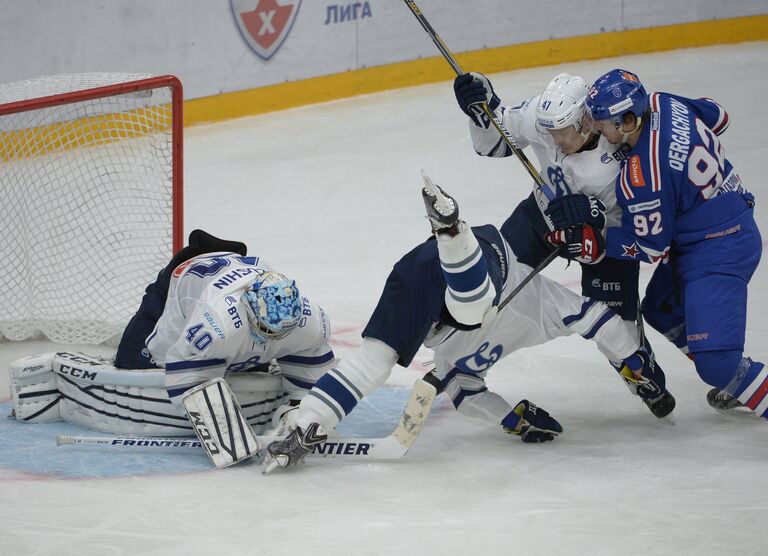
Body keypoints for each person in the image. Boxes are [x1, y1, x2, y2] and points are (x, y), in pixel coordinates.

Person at [261, 174, 668, 473]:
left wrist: (513, 417)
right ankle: (454, 235)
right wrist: (635, 362)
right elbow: (601, 320)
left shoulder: (455, 357)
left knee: (378, 357)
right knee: (468, 310)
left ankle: (306, 420)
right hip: (473, 267)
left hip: (461, 268)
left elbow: (466, 396)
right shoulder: (537, 307)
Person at [9, 229, 336, 467]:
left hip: (229, 272)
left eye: (280, 333)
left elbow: (313, 370)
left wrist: (299, 414)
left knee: (249, 359)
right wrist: (230, 439)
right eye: (265, 330)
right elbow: (184, 373)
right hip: (179, 284)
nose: (274, 339)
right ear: (248, 309)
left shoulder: (307, 316)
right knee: (132, 362)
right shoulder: (218, 320)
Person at [549, 68, 765, 419]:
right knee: (660, 309)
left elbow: (649, 247)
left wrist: (597, 239)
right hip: (721, 221)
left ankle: (732, 373)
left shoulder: (642, 173)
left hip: (719, 249)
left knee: (715, 365)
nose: (596, 129)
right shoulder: (660, 101)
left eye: (602, 123)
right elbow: (718, 115)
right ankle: (742, 379)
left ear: (628, 122)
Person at [452, 71, 670, 413]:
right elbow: (492, 143)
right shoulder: (544, 116)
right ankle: (464, 353)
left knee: (616, 330)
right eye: (550, 132)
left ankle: (640, 371)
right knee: (496, 278)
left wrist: (594, 214)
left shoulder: (619, 159)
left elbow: (633, 226)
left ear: (586, 120)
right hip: (541, 214)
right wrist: (480, 109)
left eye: (562, 133)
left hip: (603, 238)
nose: (554, 140)